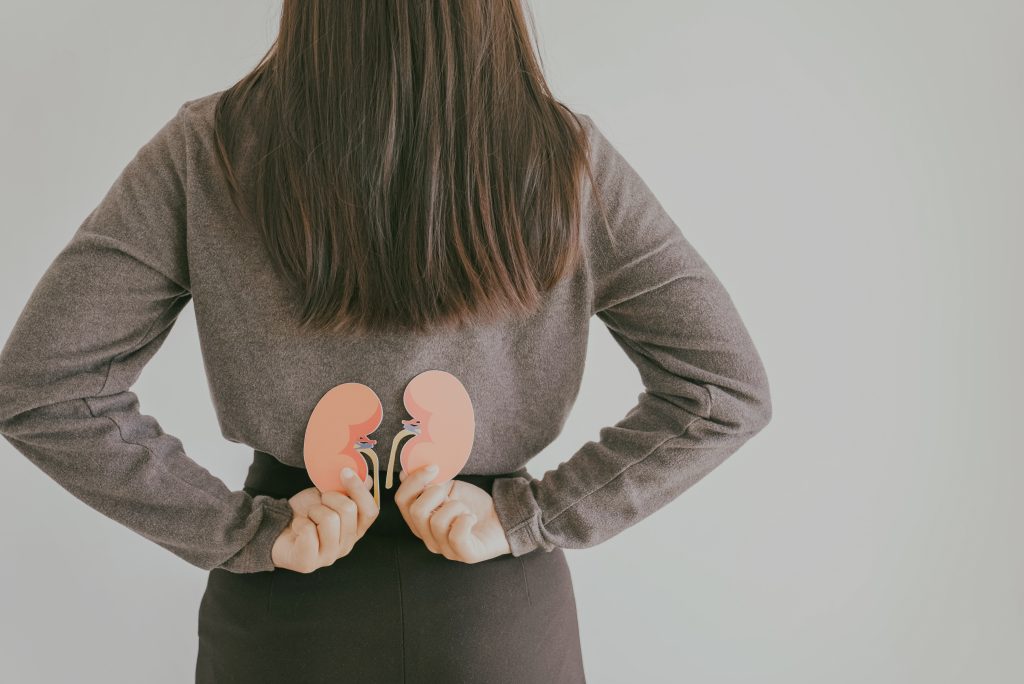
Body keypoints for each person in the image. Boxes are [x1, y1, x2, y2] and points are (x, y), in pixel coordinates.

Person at [0, 1, 772, 682]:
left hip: (285, 616)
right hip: (498, 622)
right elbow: (722, 390)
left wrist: (243, 531)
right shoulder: (566, 159)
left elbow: (45, 388)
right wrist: (526, 516)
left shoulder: (207, 152)